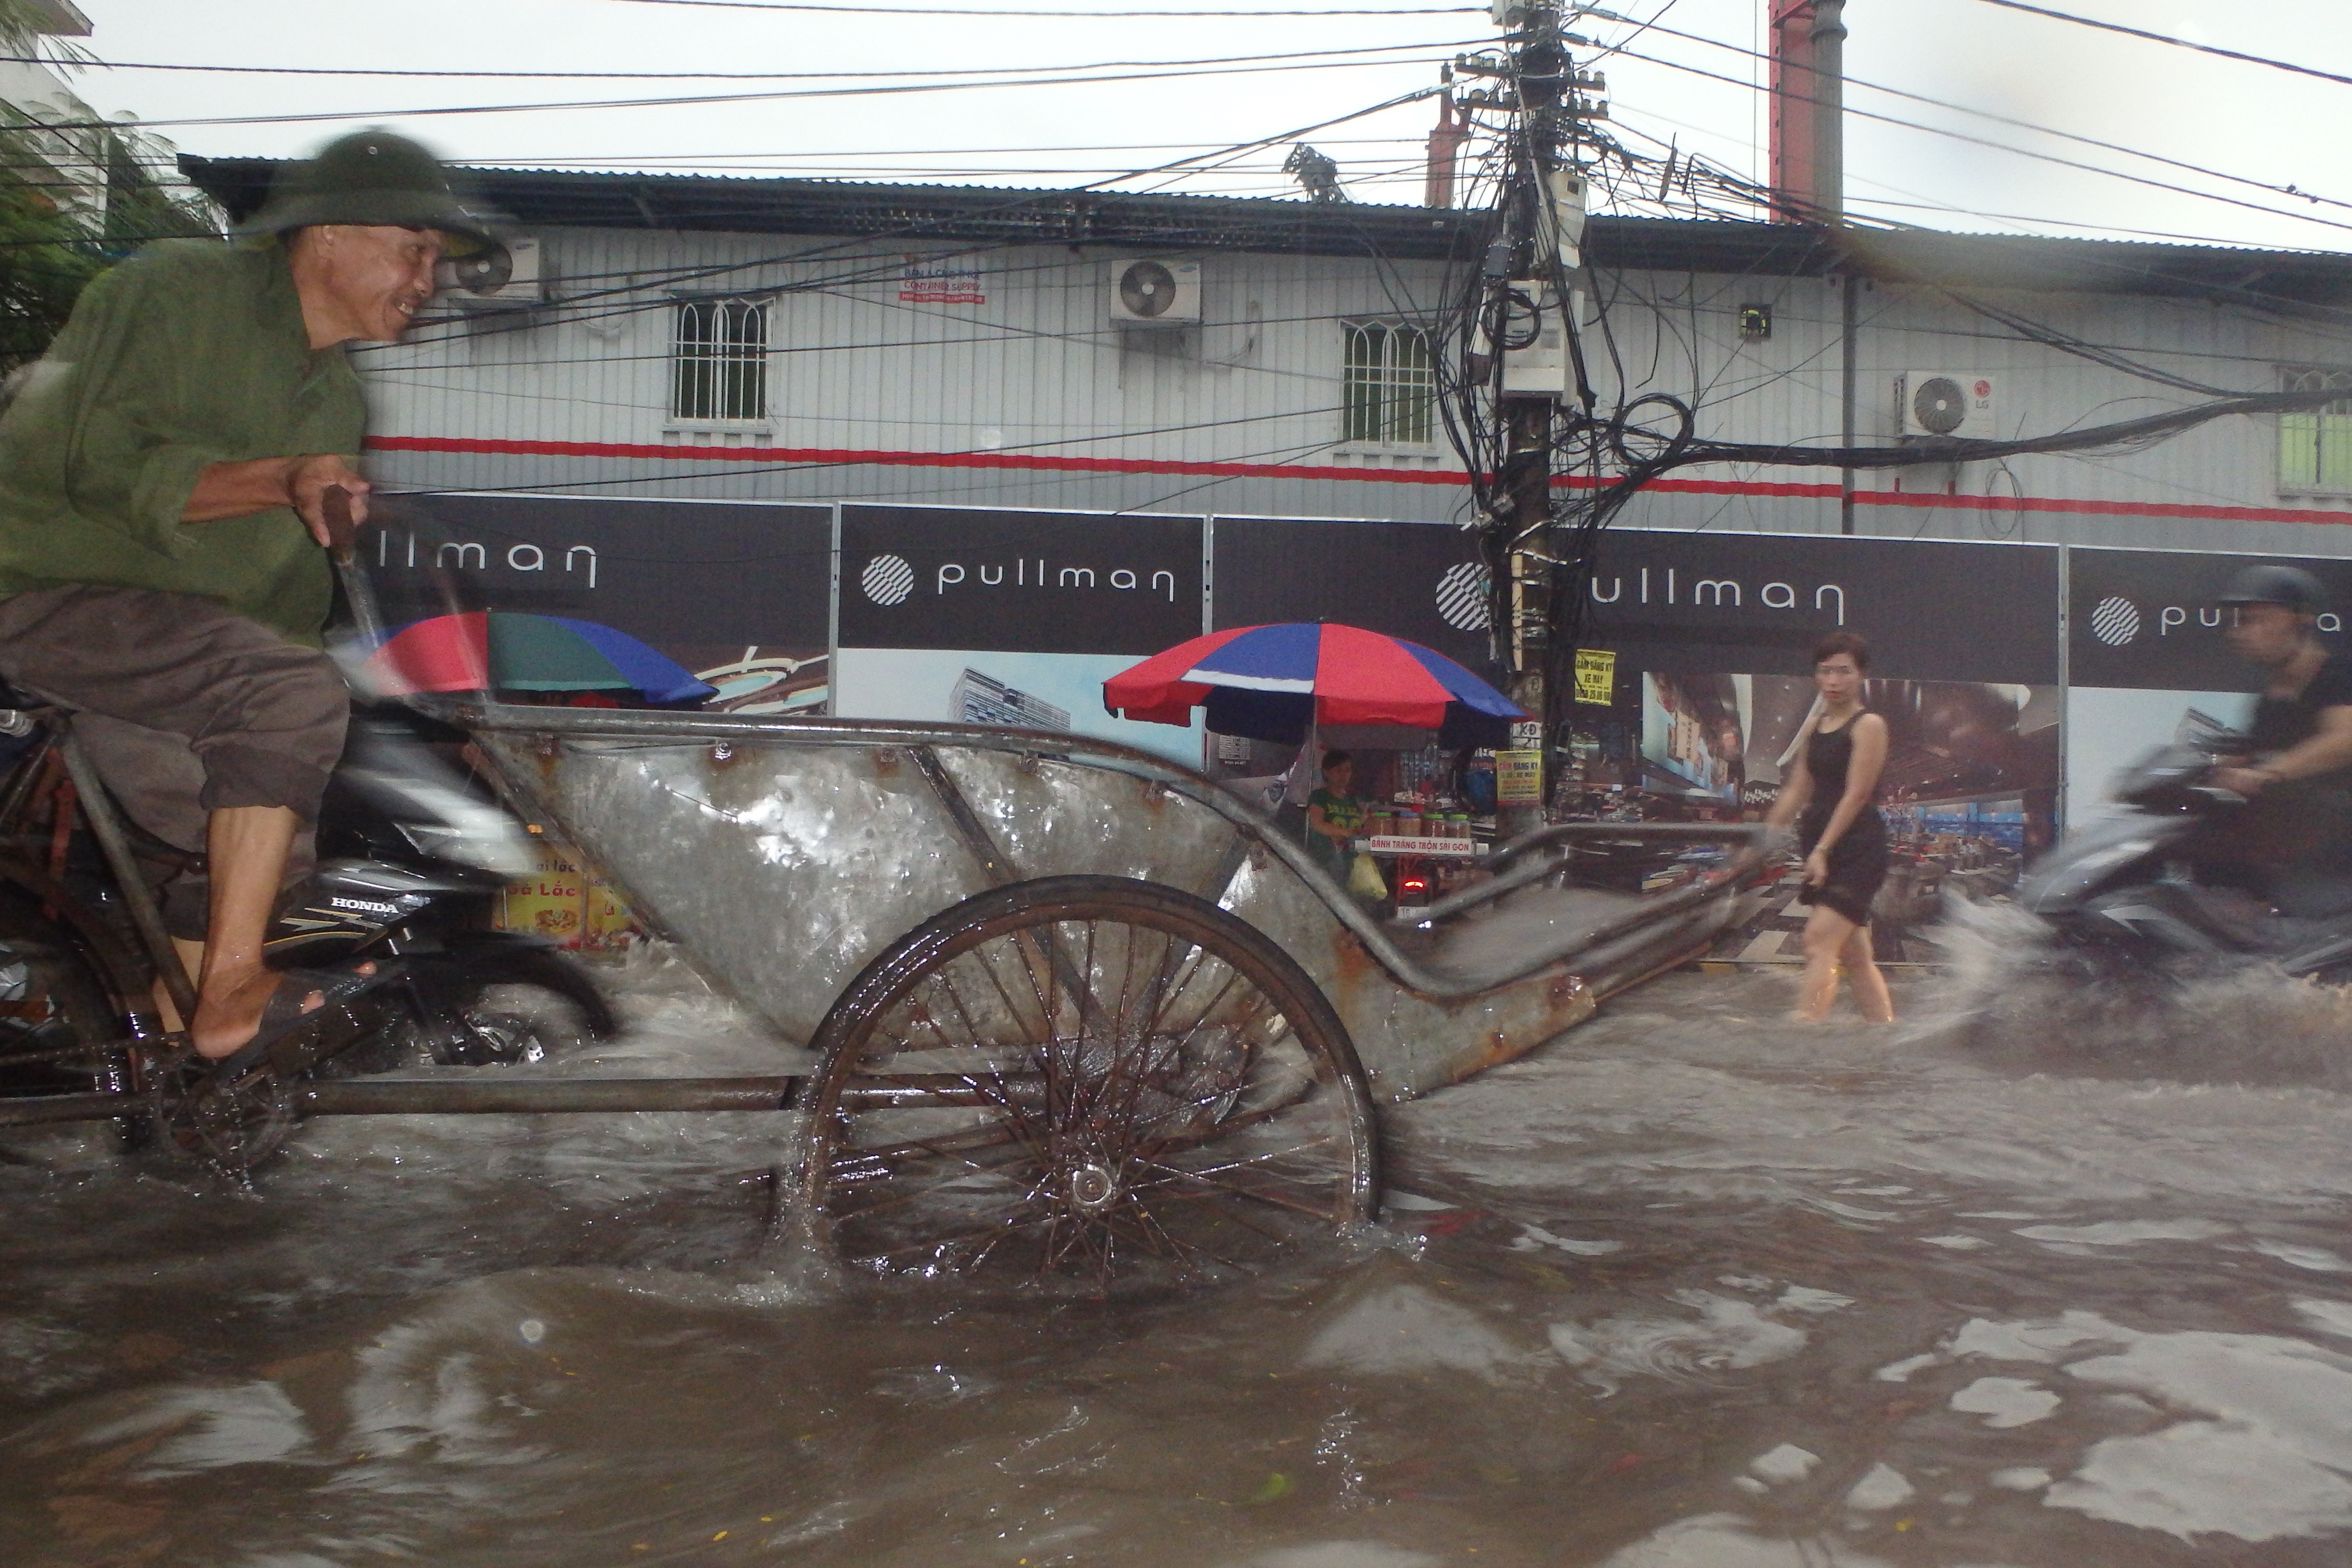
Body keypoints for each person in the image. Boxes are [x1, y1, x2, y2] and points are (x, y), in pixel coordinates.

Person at [0, 130, 493, 1063]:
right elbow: (94, 463)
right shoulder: (179, 290)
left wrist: (393, 700)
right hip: (41, 588)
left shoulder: (335, 399)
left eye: (436, 260)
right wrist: (282, 478)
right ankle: (229, 991)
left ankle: (175, 1086)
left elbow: (283, 600)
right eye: (414, 249)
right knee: (283, 700)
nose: (428, 279)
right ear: (329, 233)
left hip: (169, 645)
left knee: (257, 849)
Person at [1765, 632, 1894, 1024]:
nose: (1834, 681)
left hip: (1857, 845)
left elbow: (1856, 795)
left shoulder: (1869, 724)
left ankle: (1805, 1032)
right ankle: (1884, 1030)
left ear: (1861, 675)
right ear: (1816, 676)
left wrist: (1823, 850)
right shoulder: (1815, 728)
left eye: (1843, 671)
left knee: (1818, 940)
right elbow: (1798, 789)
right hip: (1818, 837)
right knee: (1855, 955)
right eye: (1825, 672)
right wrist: (1764, 835)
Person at [2208, 565, 2352, 910]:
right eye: (2238, 622)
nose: (2239, 632)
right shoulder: (2269, 699)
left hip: (2336, 853)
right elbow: (2246, 755)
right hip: (2295, 847)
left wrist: (2268, 774)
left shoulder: (2338, 676)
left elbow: (2344, 739)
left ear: (2300, 621)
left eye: (2256, 619)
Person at [1305, 749, 1365, 880]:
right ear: (1326, 772)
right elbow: (1317, 824)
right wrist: (1344, 832)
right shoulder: (1319, 797)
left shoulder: (1352, 801)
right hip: (1327, 861)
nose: (1344, 775)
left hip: (1353, 862)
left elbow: (1360, 826)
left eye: (1348, 770)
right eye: (1338, 771)